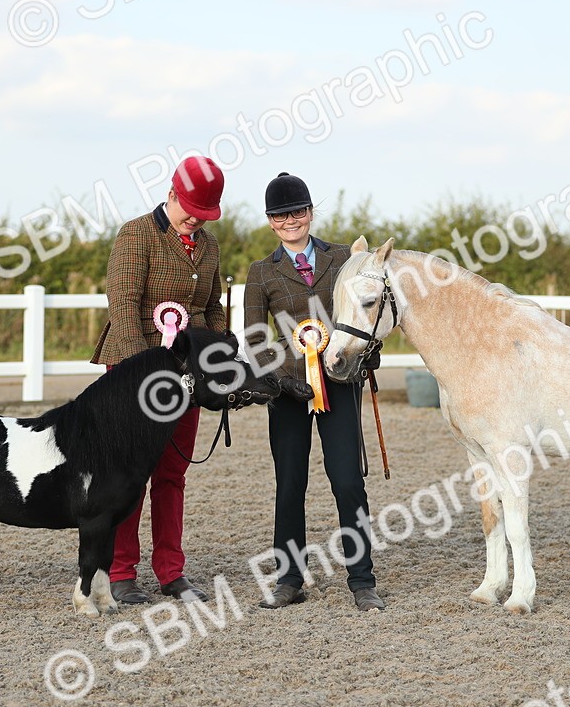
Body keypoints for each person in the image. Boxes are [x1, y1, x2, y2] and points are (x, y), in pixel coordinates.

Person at [244, 172, 385, 611]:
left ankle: (362, 580)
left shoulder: (344, 257)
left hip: (340, 382)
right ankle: (289, 578)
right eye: (282, 215)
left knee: (347, 482)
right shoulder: (261, 272)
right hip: (289, 389)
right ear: (271, 221)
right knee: (290, 485)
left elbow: (369, 307)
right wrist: (277, 378)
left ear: (310, 212)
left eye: (298, 212)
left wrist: (370, 351)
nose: (291, 221)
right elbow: (252, 338)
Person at [91, 155, 227, 604]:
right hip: (136, 368)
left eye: (204, 215)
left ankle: (171, 571)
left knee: (173, 472)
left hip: (186, 375)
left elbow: (210, 308)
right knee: (130, 472)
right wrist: (137, 376)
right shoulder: (136, 234)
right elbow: (124, 305)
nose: (195, 222)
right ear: (170, 195)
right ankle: (120, 571)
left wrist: (219, 356)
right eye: (190, 210)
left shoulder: (209, 246)